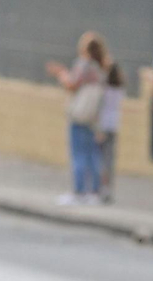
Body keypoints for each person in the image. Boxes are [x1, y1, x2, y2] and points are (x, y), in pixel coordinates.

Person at [45, 32, 108, 205]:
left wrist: (60, 73)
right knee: (93, 154)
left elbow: (72, 85)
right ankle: (95, 192)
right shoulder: (100, 67)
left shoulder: (84, 65)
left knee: (79, 154)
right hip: (93, 117)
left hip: (80, 115)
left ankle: (79, 191)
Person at [97, 59, 124, 204]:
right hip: (114, 126)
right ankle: (108, 188)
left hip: (102, 126)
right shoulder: (119, 89)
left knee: (100, 159)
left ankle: (101, 187)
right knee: (109, 160)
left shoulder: (104, 89)